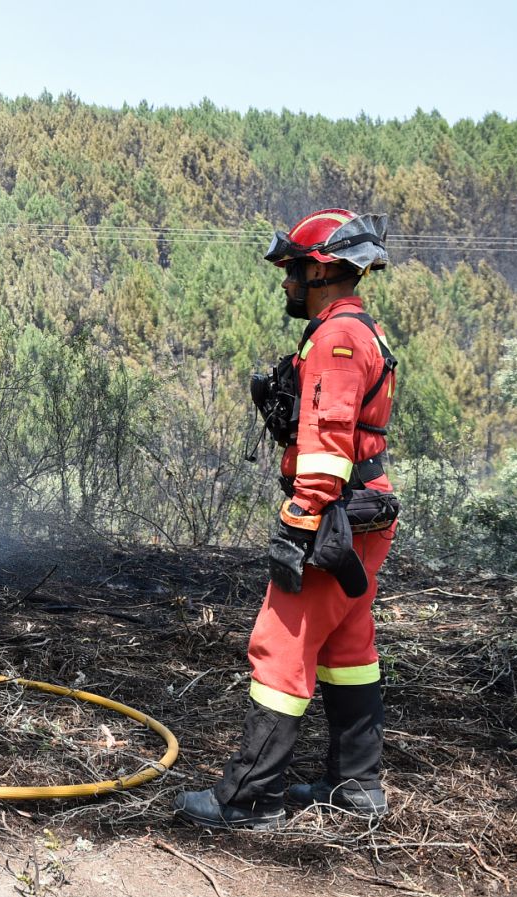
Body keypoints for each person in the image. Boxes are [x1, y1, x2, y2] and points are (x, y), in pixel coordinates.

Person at [174, 209, 400, 829]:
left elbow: (328, 444)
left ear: (322, 268)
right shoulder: (356, 328)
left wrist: (301, 520)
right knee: (350, 646)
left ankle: (248, 798)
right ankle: (358, 787)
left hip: (332, 517)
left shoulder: (334, 337)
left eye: (293, 269)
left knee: (280, 648)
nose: (286, 282)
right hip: (363, 511)